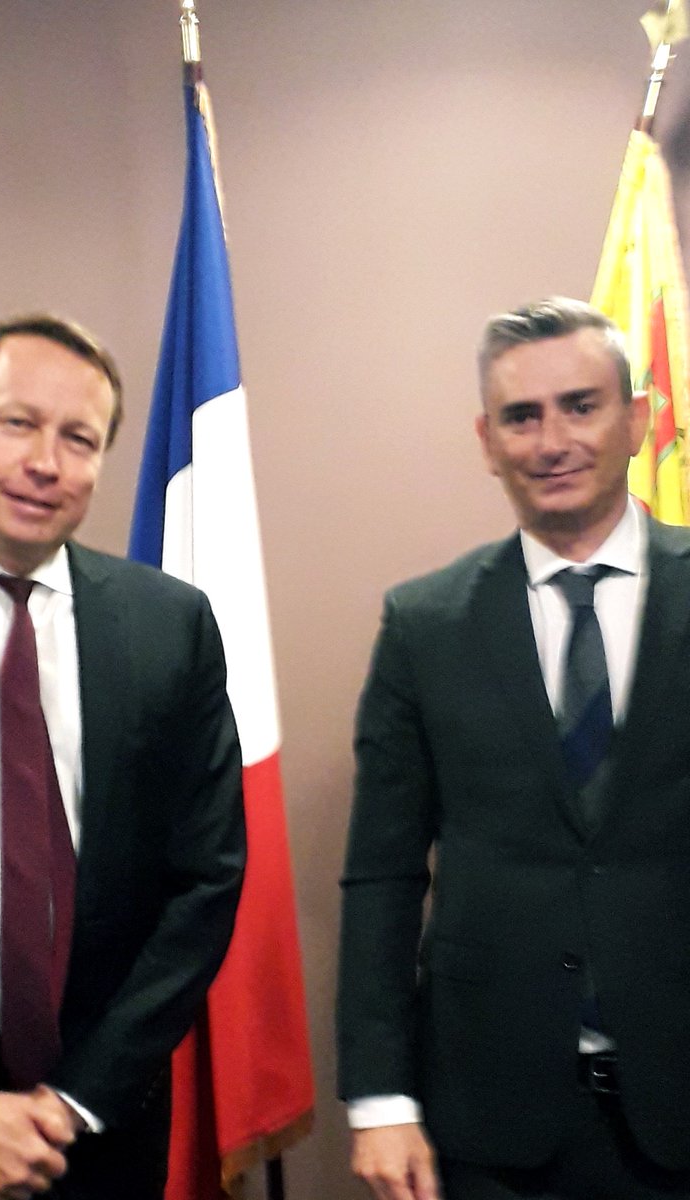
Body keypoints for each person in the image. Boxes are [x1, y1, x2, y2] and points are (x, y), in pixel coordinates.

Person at [337, 297, 690, 1200]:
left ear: (636, 419)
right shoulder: (424, 624)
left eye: (581, 407)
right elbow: (382, 876)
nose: (551, 441)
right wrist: (379, 1097)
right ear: (487, 441)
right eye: (521, 417)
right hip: (491, 1120)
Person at [0, 314, 245, 1199]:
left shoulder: (170, 627)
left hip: (96, 1129)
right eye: (18, 423)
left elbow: (206, 879)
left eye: (78, 439)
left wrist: (76, 1100)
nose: (46, 462)